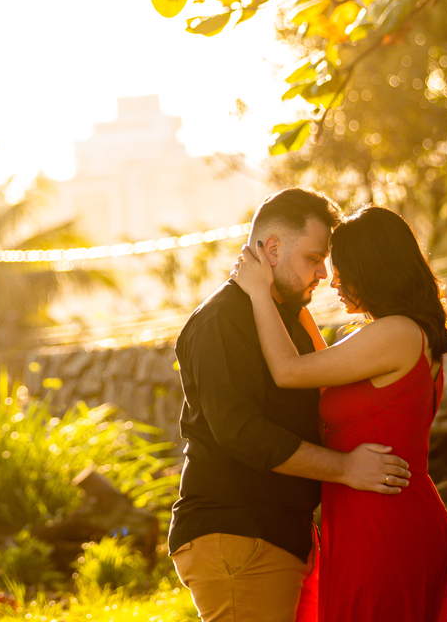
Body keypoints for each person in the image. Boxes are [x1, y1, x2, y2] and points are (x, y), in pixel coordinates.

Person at [169, 189, 412, 622]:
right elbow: (242, 432)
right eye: (314, 259)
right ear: (273, 249)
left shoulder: (286, 320)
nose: (324, 273)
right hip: (238, 535)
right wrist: (345, 468)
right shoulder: (221, 321)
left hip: (282, 536)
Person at [232, 205, 447, 622]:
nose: (332, 279)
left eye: (342, 268)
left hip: (386, 526)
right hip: (370, 518)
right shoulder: (401, 334)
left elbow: (289, 370)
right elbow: (322, 369)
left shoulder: (397, 333)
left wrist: (260, 293)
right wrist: (290, 296)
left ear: (373, 269)